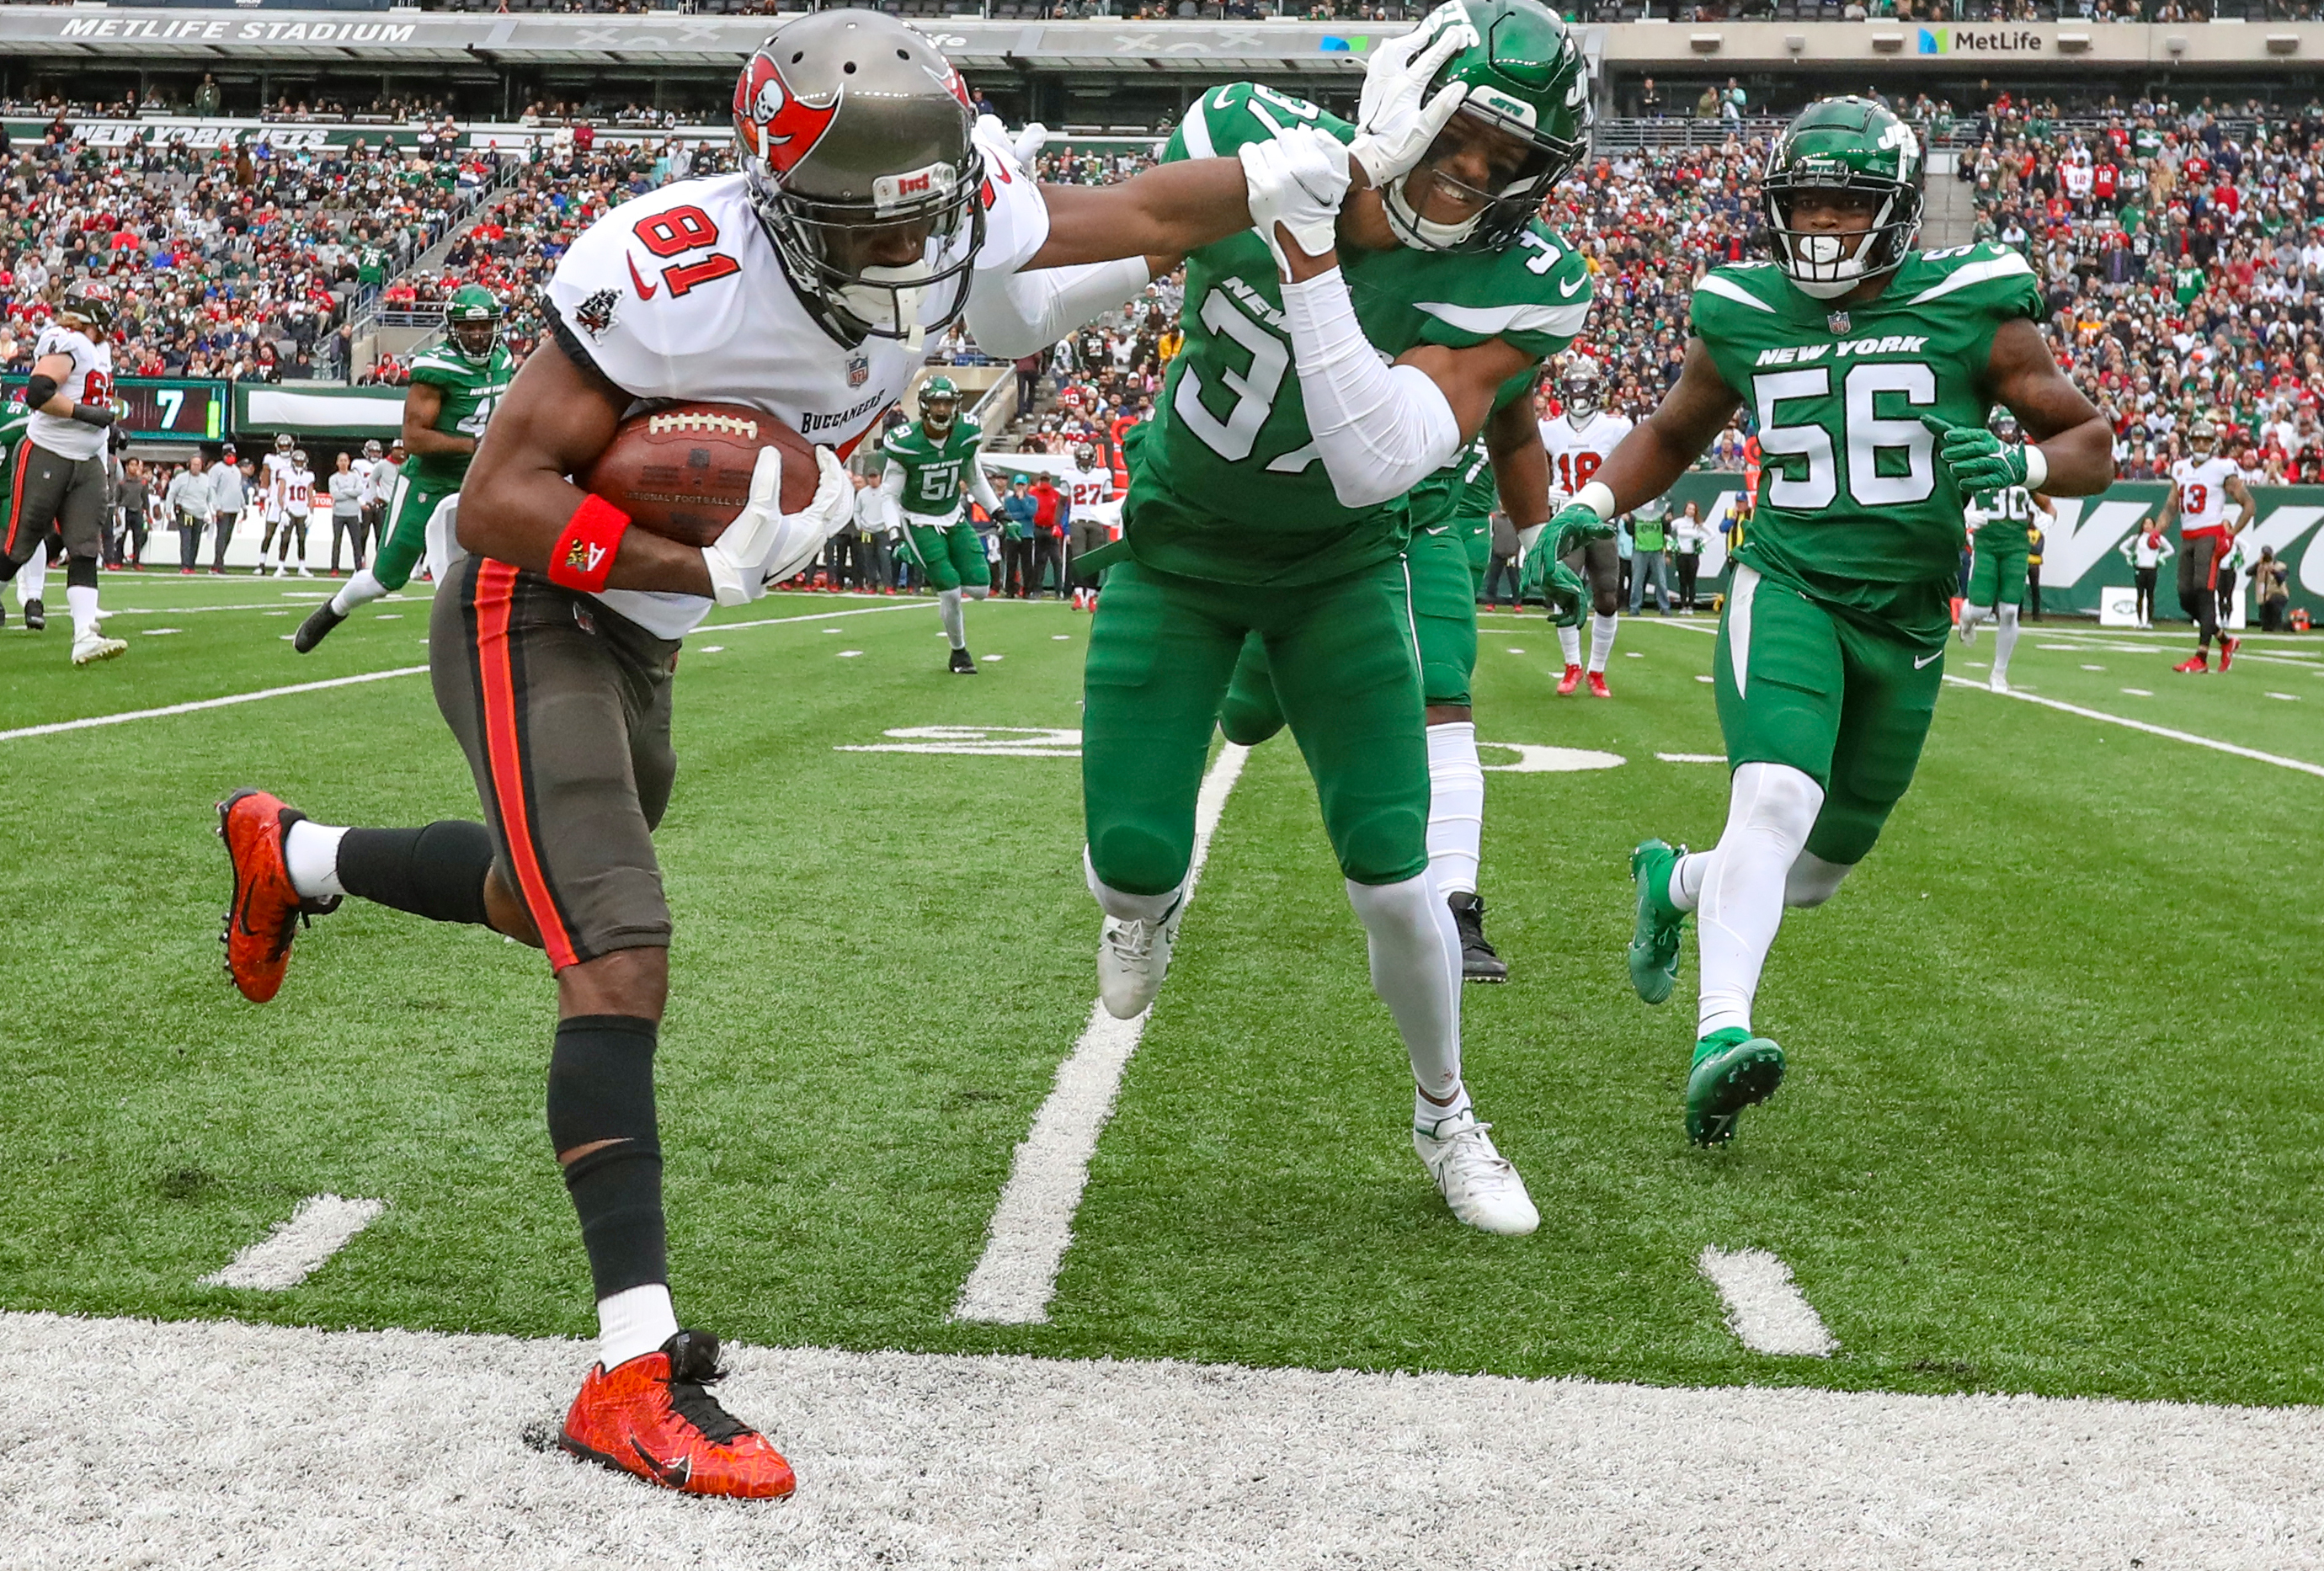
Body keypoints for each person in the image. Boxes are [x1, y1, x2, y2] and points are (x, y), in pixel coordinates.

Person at [219, 8, 1342, 1501]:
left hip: (637, 636)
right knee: (615, 940)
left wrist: (1298, 176)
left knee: (529, 893)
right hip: (532, 601)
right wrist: (704, 569)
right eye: (856, 229)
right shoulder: (667, 268)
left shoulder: (959, 201)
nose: (898, 255)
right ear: (774, 203)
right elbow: (497, 495)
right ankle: (630, 1369)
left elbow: (1138, 210)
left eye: (918, 221)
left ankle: (291, 855)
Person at [1077, 3, 1596, 1236]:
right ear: (1403, 96)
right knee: (1131, 858)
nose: (1476, 179)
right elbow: (1106, 248)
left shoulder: (1518, 284)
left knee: (1396, 873)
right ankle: (1145, 906)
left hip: (1340, 570)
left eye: (1510, 163)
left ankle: (1446, 1112)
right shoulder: (1254, 134)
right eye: (1462, 139)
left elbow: (1375, 462)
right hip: (1177, 558)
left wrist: (1306, 255)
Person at [1598, 97, 2113, 1148]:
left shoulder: (1976, 308)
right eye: (1807, 205)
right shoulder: (1744, 310)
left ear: (1894, 211)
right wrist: (1595, 504)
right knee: (1775, 793)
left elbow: (2090, 441)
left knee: (1818, 872)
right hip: (1787, 584)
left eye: (1845, 204)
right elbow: (1671, 430)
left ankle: (1677, 879)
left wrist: (2020, 460)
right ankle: (1717, 1039)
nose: (1822, 226)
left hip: (1911, 617)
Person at [295, 286, 511, 652]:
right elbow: (413, 439)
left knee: (503, 564)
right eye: (468, 328)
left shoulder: (503, 360)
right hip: (432, 480)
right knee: (386, 578)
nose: (478, 336)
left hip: (481, 478)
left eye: (484, 327)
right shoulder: (436, 369)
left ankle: (485, 643)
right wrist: (475, 446)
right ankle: (334, 610)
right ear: (452, 328)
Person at [0, 280, 127, 663]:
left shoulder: (100, 347)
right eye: (105, 308)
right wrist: (90, 415)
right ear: (89, 310)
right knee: (18, 545)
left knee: (85, 548)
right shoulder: (65, 339)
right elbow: (38, 393)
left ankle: (84, 635)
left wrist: (108, 428)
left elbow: (89, 396)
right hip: (49, 453)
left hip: (87, 460)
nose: (111, 315)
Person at [884, 375, 1004, 663]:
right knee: (950, 591)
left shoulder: (966, 434)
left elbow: (974, 479)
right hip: (918, 518)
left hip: (953, 514)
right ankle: (959, 652)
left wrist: (999, 511)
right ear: (924, 406)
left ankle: (950, 584)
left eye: (948, 403)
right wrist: (895, 535)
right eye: (936, 403)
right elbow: (889, 495)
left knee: (978, 589)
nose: (942, 410)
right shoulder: (905, 443)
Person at [1538, 358, 1631, 695]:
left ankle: (1597, 670)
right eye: (1573, 387)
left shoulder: (1616, 427)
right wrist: (1543, 490)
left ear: (1597, 391)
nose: (1578, 394)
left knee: (1607, 596)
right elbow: (1533, 467)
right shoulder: (1549, 429)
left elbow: (1631, 469)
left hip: (1601, 519)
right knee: (1564, 591)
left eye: (1584, 387)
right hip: (1565, 517)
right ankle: (1572, 665)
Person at [1954, 413, 2055, 694]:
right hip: (1986, 543)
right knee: (1981, 609)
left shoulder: (2028, 467)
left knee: (2010, 611)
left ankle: (1999, 673)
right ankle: (1967, 617)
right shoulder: (1980, 465)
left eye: (2011, 432)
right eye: (2003, 432)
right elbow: (1957, 500)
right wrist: (1966, 515)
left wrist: (2050, 519)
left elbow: (2048, 506)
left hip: (2016, 545)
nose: (2007, 437)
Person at [2157, 418, 2254, 674]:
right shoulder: (2179, 468)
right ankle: (2225, 640)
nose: (2201, 444)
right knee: (2185, 598)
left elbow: (2249, 505)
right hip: (2187, 536)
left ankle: (2201, 657)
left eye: (2206, 440)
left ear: (2214, 443)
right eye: (2198, 439)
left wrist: (2231, 533)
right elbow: (2171, 505)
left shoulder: (2222, 468)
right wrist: (2157, 531)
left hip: (2209, 536)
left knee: (2203, 589)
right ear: (2190, 441)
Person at [272, 448, 317, 578]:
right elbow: (280, 494)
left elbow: (310, 495)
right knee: (285, 539)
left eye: (301, 462)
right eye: (297, 461)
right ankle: (280, 566)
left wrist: (311, 512)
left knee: (302, 540)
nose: (299, 464)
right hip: (289, 510)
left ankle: (302, 567)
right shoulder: (285, 474)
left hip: (302, 511)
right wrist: (283, 511)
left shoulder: (309, 476)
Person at [256, 432, 296, 574]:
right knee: (268, 534)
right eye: (282, 446)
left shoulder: (296, 460)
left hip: (290, 503)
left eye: (287, 446)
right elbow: (265, 477)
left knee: (286, 537)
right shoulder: (271, 460)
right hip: (274, 501)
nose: (285, 448)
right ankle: (261, 564)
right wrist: (262, 496)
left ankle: (281, 565)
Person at [2119, 517, 2172, 628]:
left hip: (2152, 569)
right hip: (2140, 569)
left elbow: (2171, 550)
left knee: (2150, 596)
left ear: (2154, 526)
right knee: (2140, 595)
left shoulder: (2157, 538)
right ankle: (2139, 621)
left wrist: (2160, 556)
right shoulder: (2137, 538)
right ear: (2142, 526)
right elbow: (2122, 547)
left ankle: (2148, 621)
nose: (2147, 526)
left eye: (2150, 524)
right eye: (2145, 524)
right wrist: (2131, 555)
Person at [1026, 469, 1068, 599]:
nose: (1044, 482)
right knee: (1039, 560)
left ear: (1049, 480)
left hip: (1051, 529)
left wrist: (1059, 526)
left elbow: (1063, 509)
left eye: (1046, 480)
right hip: (1039, 528)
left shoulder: (1056, 494)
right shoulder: (1033, 494)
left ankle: (1058, 590)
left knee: (1056, 560)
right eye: (1042, 480)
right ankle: (1037, 589)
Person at [168, 453, 212, 574]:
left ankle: (191, 564)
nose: (196, 467)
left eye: (198, 465)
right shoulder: (181, 478)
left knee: (195, 539)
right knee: (186, 538)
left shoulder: (206, 479)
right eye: (194, 464)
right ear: (189, 465)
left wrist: (212, 511)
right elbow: (171, 493)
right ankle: (185, 565)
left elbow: (210, 497)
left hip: (199, 512)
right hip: (186, 511)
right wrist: (168, 510)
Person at [328, 451, 365, 575]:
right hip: (338, 513)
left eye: (346, 460)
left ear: (349, 462)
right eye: (341, 461)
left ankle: (359, 567)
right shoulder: (333, 478)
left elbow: (359, 491)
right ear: (337, 463)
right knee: (337, 542)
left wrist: (345, 491)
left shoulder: (355, 477)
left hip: (353, 513)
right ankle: (334, 568)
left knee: (356, 542)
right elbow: (336, 495)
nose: (343, 463)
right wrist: (351, 492)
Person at [1671, 498, 1708, 612]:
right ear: (1685, 509)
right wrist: (1673, 543)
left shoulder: (1697, 524)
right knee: (1683, 581)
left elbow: (1712, 534)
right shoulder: (1679, 522)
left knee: (1691, 581)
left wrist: (1702, 543)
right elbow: (1666, 530)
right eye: (1689, 508)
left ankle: (1691, 606)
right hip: (1681, 555)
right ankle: (1683, 605)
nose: (1691, 511)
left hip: (1693, 555)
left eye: (1693, 509)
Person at [118, 456, 149, 571]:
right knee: (121, 537)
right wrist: (116, 512)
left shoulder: (142, 482)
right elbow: (117, 498)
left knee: (138, 538)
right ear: (127, 467)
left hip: (138, 511)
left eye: (136, 465)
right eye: (131, 465)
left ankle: (136, 561)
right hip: (124, 511)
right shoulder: (122, 482)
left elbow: (145, 499)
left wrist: (147, 512)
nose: (133, 467)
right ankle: (118, 559)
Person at [2254, 545, 2290, 631]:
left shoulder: (2279, 565)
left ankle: (2279, 626)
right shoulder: (2260, 566)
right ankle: (2284, 626)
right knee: (2266, 626)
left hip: (2279, 594)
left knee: (2273, 603)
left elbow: (2282, 578)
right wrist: (2259, 563)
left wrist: (2273, 570)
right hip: (2265, 597)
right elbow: (2248, 572)